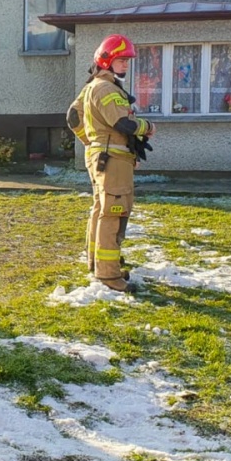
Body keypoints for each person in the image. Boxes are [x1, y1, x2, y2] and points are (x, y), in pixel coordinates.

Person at [66, 34, 153, 292]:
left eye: (127, 61)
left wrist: (89, 142)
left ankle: (98, 262)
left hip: (102, 156)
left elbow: (73, 116)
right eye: (121, 60)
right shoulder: (107, 88)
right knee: (113, 213)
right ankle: (109, 275)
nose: (126, 65)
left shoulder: (91, 87)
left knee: (101, 209)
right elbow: (122, 124)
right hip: (112, 159)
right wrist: (148, 127)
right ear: (107, 61)